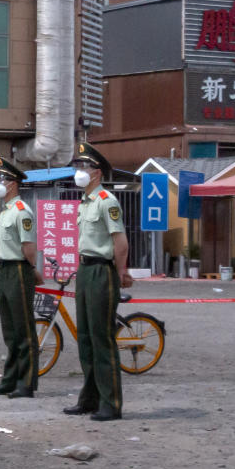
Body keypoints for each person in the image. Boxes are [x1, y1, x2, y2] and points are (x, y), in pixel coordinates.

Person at [64, 142, 132, 421]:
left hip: (102, 272)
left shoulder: (107, 201)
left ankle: (111, 402)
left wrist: (121, 274)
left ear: (97, 172)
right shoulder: (85, 202)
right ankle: (89, 399)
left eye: (84, 166)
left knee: (102, 339)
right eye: (78, 166)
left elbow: (121, 242)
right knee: (86, 339)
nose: (79, 171)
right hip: (85, 271)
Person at [0, 156, 40, 399]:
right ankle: (9, 380)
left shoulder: (21, 211)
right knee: (10, 330)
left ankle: (26, 383)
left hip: (18, 269)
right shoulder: (6, 210)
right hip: (5, 270)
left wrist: (33, 269)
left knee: (24, 329)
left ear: (13, 183)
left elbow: (28, 246)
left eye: (2, 178)